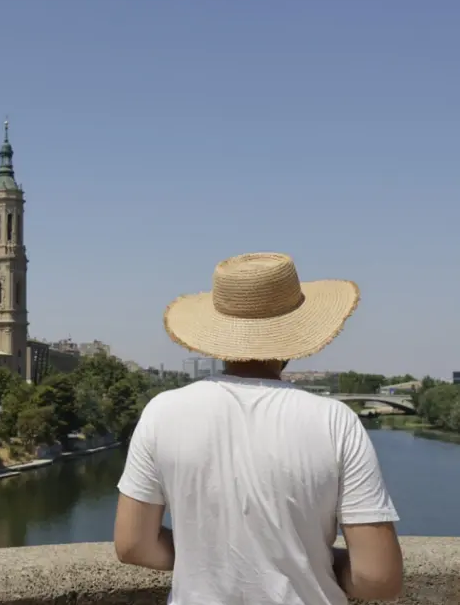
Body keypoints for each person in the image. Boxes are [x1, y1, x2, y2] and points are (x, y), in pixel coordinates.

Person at [114, 252, 403, 604]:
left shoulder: (162, 412)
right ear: (296, 330)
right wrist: (318, 563)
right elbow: (378, 579)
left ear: (218, 331)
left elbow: (132, 545)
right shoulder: (336, 421)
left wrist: (208, 560)